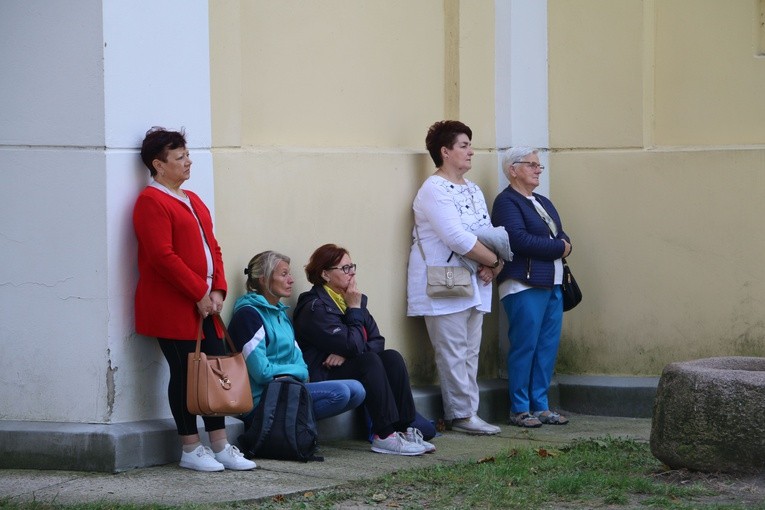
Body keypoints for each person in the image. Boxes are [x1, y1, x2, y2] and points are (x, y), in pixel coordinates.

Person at [132, 127, 256, 472]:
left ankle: (220, 445)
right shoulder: (151, 201)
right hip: (172, 306)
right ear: (158, 164)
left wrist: (216, 289)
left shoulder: (193, 199)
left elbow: (212, 247)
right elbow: (162, 257)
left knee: (214, 370)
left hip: (206, 305)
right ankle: (190, 448)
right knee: (186, 374)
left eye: (187, 155)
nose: (188, 162)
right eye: (180, 157)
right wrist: (198, 292)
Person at [406, 120, 508, 436]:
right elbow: (456, 237)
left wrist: (495, 265)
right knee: (452, 351)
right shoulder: (433, 190)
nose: (471, 151)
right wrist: (494, 260)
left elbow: (486, 233)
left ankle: (468, 412)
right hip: (444, 281)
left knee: (469, 351)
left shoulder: (473, 189)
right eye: (463, 145)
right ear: (445, 151)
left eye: (469, 145)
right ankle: (461, 415)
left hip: (475, 281)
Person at [292, 244, 435, 456]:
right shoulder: (315, 307)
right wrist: (354, 314)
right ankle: (384, 435)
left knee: (392, 357)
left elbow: (377, 341)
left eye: (352, 266)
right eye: (345, 268)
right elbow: (354, 345)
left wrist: (345, 352)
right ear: (325, 274)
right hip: (323, 373)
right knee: (369, 360)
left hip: (347, 365)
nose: (352, 273)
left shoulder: (352, 300)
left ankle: (403, 429)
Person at [227, 250, 366, 429]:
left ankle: (291, 427)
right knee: (340, 393)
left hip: (289, 390)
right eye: (284, 274)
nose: (291, 280)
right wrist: (296, 373)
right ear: (263, 279)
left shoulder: (281, 314)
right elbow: (262, 373)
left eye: (289, 274)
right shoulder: (248, 316)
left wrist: (295, 373)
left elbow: (303, 367)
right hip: (262, 401)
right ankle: (281, 427)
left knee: (357, 390)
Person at [491, 147, 571, 428]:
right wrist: (559, 248)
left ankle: (542, 405)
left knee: (547, 347)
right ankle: (520, 408)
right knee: (525, 346)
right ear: (513, 170)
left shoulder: (542, 202)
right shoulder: (507, 202)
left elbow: (561, 234)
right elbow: (518, 240)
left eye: (540, 165)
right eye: (532, 164)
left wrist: (560, 245)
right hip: (523, 284)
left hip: (553, 283)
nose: (538, 169)